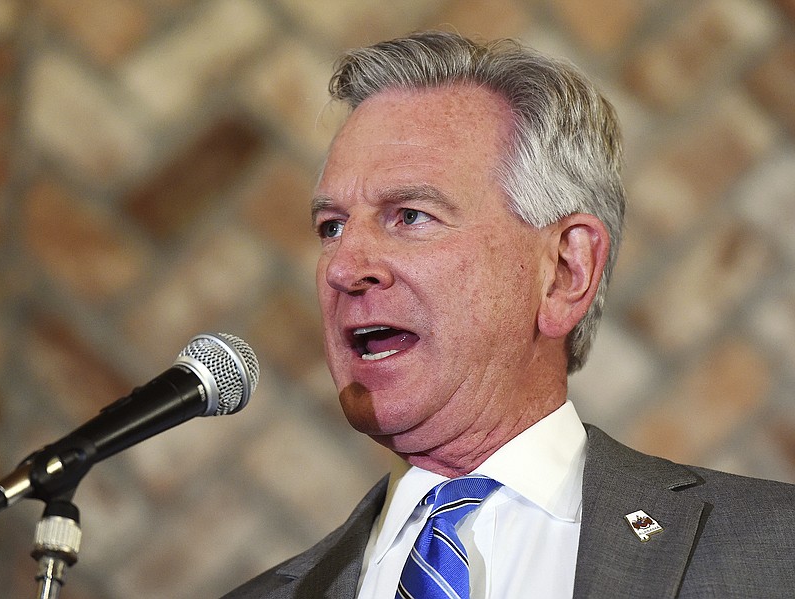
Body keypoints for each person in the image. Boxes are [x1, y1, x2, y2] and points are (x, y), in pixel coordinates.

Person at [223, 31, 795, 598]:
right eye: (332, 227)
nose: (344, 268)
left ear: (565, 271)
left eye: (411, 216)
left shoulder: (773, 552)